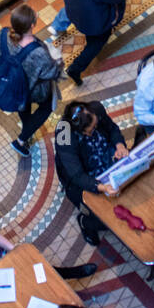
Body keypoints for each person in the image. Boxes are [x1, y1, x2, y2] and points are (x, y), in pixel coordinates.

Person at [55, 100, 127, 245]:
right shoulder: (64, 134)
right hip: (84, 177)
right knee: (106, 218)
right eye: (91, 129)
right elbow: (76, 174)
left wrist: (120, 146)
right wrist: (101, 187)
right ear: (79, 131)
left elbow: (112, 129)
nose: (95, 129)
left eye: (95, 125)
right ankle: (85, 222)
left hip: (108, 159)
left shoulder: (96, 109)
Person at [0, 4, 60, 157]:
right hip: (33, 90)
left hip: (12, 84)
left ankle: (27, 122)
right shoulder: (39, 52)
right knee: (47, 106)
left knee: (23, 106)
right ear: (32, 25)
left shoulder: (3, 34)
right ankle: (22, 139)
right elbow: (52, 73)